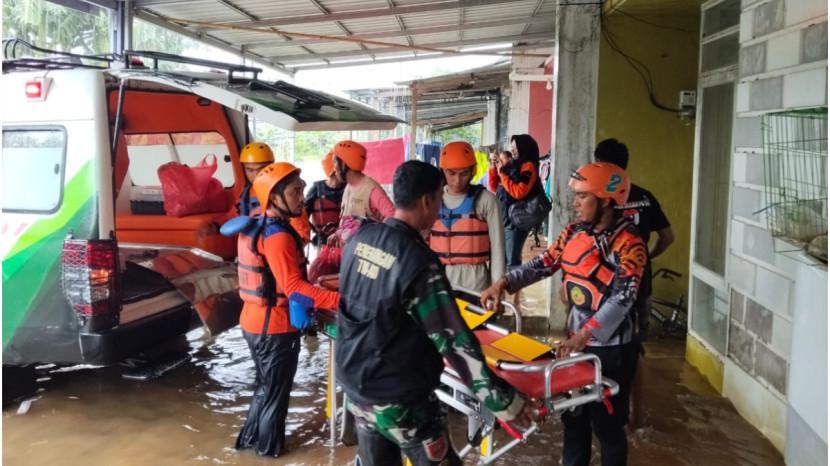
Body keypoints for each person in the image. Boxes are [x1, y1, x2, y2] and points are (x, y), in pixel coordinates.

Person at [336, 160, 535, 466]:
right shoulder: (417, 262)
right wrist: (505, 402)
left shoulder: (358, 241)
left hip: (357, 391)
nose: (442, 207)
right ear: (427, 200)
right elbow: (454, 342)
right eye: (440, 197)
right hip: (401, 400)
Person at [481, 162, 647, 466]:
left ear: (607, 200)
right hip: (575, 343)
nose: (575, 202)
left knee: (608, 426)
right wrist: (503, 283)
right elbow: (542, 264)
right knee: (574, 418)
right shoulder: (572, 233)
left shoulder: (630, 243)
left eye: (583, 196)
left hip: (612, 349)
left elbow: (624, 298)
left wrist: (588, 333)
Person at [234, 162, 340, 457]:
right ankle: (269, 454)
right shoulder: (278, 236)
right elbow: (294, 288)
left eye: (302, 189)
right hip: (274, 327)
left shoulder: (257, 225)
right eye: (295, 191)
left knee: (265, 390)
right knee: (275, 396)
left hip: (255, 323)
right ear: (274, 197)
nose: (301, 196)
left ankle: (246, 447)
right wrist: (338, 301)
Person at [594, 138, 674, 427]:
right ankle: (635, 418)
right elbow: (668, 237)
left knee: (595, 345)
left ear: (599, 164)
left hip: (600, 289)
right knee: (635, 349)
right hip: (639, 286)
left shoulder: (599, 200)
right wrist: (647, 258)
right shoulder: (644, 196)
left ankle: (597, 410)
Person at [429, 141, 506, 292]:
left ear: (473, 171)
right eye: (451, 173)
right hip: (438, 283)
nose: (457, 181)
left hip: (476, 285)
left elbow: (498, 250)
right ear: (442, 171)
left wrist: (497, 289)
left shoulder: (487, 201)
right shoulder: (431, 199)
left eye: (464, 173)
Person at [237, 142, 311, 245]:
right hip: (253, 252)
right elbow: (236, 215)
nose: (256, 174)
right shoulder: (245, 194)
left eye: (261, 168)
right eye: (250, 170)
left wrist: (282, 248)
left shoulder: (284, 195)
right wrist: (217, 225)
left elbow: (302, 233)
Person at [488, 135, 544, 268]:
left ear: (524, 148)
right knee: (505, 259)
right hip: (508, 218)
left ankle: (512, 287)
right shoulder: (515, 165)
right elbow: (495, 187)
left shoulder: (528, 166)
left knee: (511, 262)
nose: (512, 150)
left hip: (516, 220)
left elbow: (519, 192)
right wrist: (494, 166)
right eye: (512, 147)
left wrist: (502, 173)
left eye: (515, 147)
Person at [331, 139, 395, 245]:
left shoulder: (371, 189)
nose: (334, 169)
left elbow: (392, 215)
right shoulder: (348, 187)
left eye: (335, 163)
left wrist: (373, 235)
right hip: (349, 253)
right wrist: (338, 233)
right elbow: (349, 222)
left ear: (343, 164)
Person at [304, 151, 345, 247]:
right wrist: (315, 230)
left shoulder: (348, 188)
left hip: (344, 239)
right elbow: (303, 214)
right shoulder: (317, 188)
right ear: (335, 170)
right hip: (322, 240)